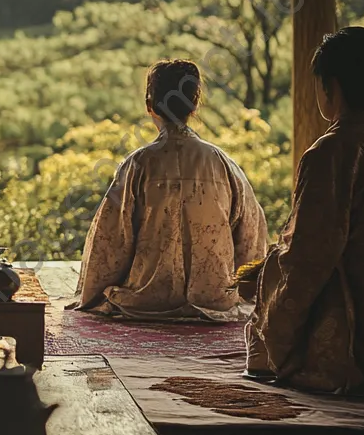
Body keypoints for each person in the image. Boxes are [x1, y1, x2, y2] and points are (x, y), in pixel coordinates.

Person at [245, 27, 364, 393]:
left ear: (332, 86)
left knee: (281, 263)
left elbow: (311, 255)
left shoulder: (334, 150)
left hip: (362, 338)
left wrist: (274, 333)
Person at [72, 59, 268, 322]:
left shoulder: (139, 163)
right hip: (214, 300)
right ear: (195, 104)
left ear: (149, 105)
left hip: (147, 300)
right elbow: (250, 236)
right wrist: (241, 290)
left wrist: (91, 295)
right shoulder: (222, 163)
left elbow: (110, 241)